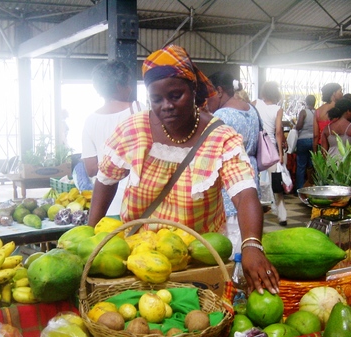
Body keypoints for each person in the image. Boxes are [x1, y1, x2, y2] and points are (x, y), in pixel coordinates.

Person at [87, 45, 279, 295]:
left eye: (175, 95)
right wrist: (90, 237)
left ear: (193, 90)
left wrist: (252, 245)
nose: (166, 105)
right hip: (139, 258)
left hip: (196, 263)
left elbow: (244, 194)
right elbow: (106, 180)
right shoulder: (134, 129)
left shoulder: (220, 137)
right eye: (156, 99)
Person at [81, 60, 145, 217]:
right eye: (128, 84)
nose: (130, 88)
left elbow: (90, 169)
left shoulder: (90, 121)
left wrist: (109, 164)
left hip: (104, 206)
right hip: (136, 204)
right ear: (119, 86)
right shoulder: (140, 110)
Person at [207, 72, 261, 256]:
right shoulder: (251, 109)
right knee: (246, 236)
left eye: (209, 95)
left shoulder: (222, 115)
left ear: (219, 91)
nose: (207, 102)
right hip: (250, 178)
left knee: (228, 241)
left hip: (230, 185)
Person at [253, 81, 287, 227]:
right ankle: (282, 215)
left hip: (257, 147)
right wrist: (280, 153)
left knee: (255, 182)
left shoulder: (255, 103)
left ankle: (255, 213)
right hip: (271, 148)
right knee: (276, 182)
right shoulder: (278, 109)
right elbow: (278, 132)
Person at [313, 83, 343, 153]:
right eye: (340, 91)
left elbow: (316, 135)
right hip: (337, 145)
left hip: (322, 146)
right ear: (333, 93)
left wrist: (314, 151)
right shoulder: (340, 109)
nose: (342, 94)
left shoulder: (318, 111)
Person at [295, 95, 316, 191]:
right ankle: (311, 188)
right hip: (314, 140)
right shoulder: (317, 112)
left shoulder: (303, 112)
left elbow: (299, 126)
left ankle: (299, 188)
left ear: (306, 102)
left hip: (302, 140)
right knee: (311, 165)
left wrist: (295, 126)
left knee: (301, 166)